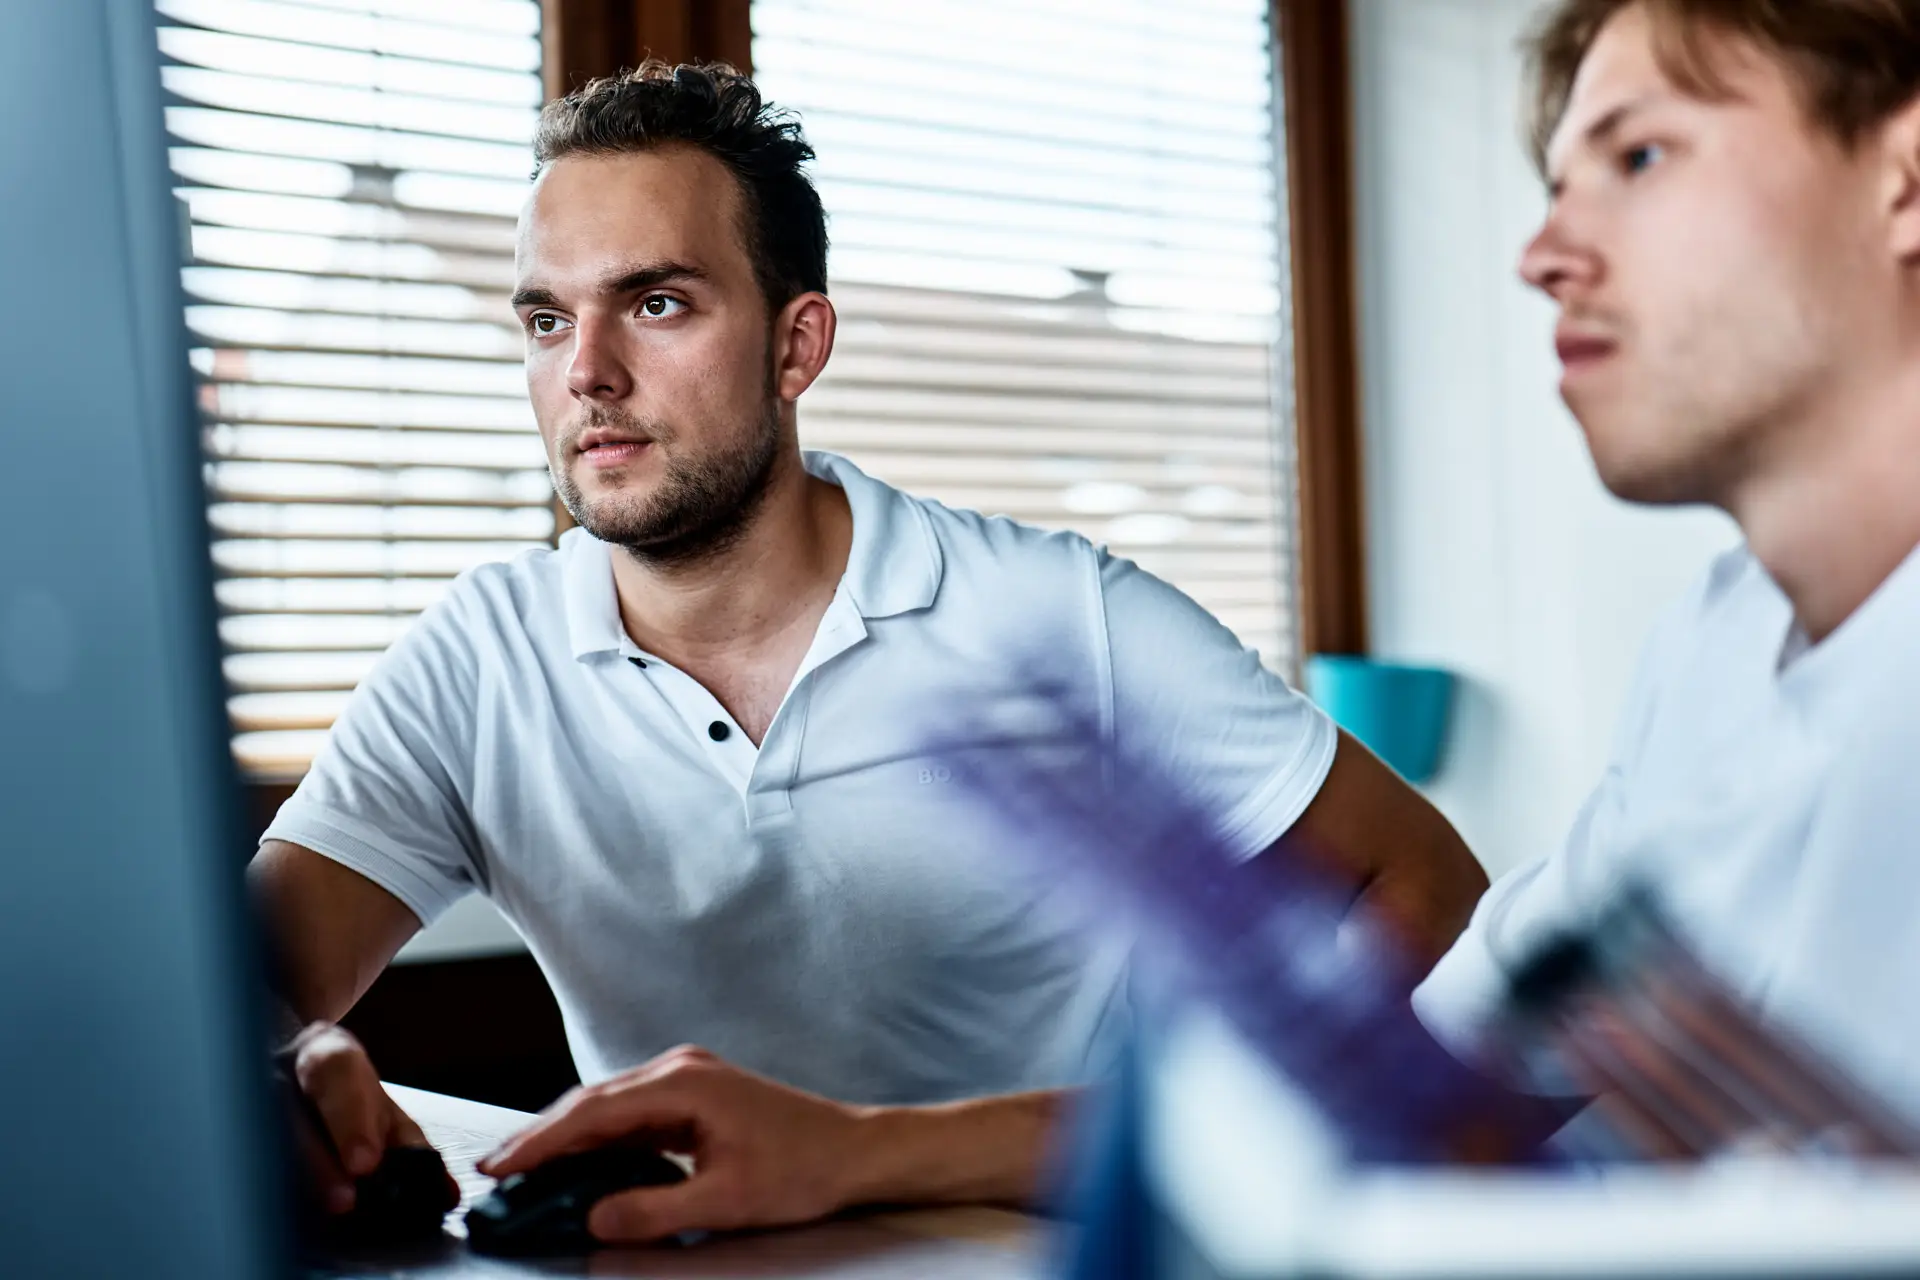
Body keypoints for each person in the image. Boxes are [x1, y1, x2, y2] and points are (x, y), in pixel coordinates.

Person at [254, 61, 1487, 1242]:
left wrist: (899, 1146)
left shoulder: (1061, 617)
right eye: (544, 317)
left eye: (657, 302)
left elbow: (1430, 892)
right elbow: (243, 978)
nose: (587, 372)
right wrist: (285, 1055)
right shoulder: (475, 660)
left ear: (797, 346)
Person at [1414, 0, 1920, 1152]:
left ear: (1905, 180)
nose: (1542, 257)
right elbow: (1450, 1054)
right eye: (1554, 188)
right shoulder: (1714, 639)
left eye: (1639, 156)